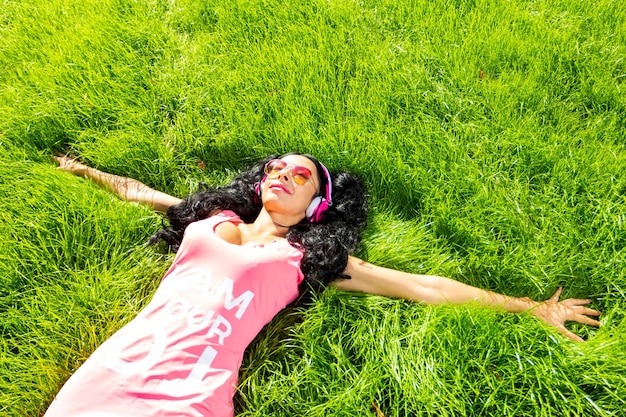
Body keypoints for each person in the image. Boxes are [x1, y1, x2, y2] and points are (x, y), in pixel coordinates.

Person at [46, 153, 600, 417]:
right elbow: (139, 192)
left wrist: (531, 308)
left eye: (300, 174)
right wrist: (82, 171)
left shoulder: (303, 256)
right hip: (110, 371)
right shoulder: (210, 220)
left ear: (316, 205)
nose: (282, 174)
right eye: (276, 168)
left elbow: (422, 286)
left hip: (188, 396)